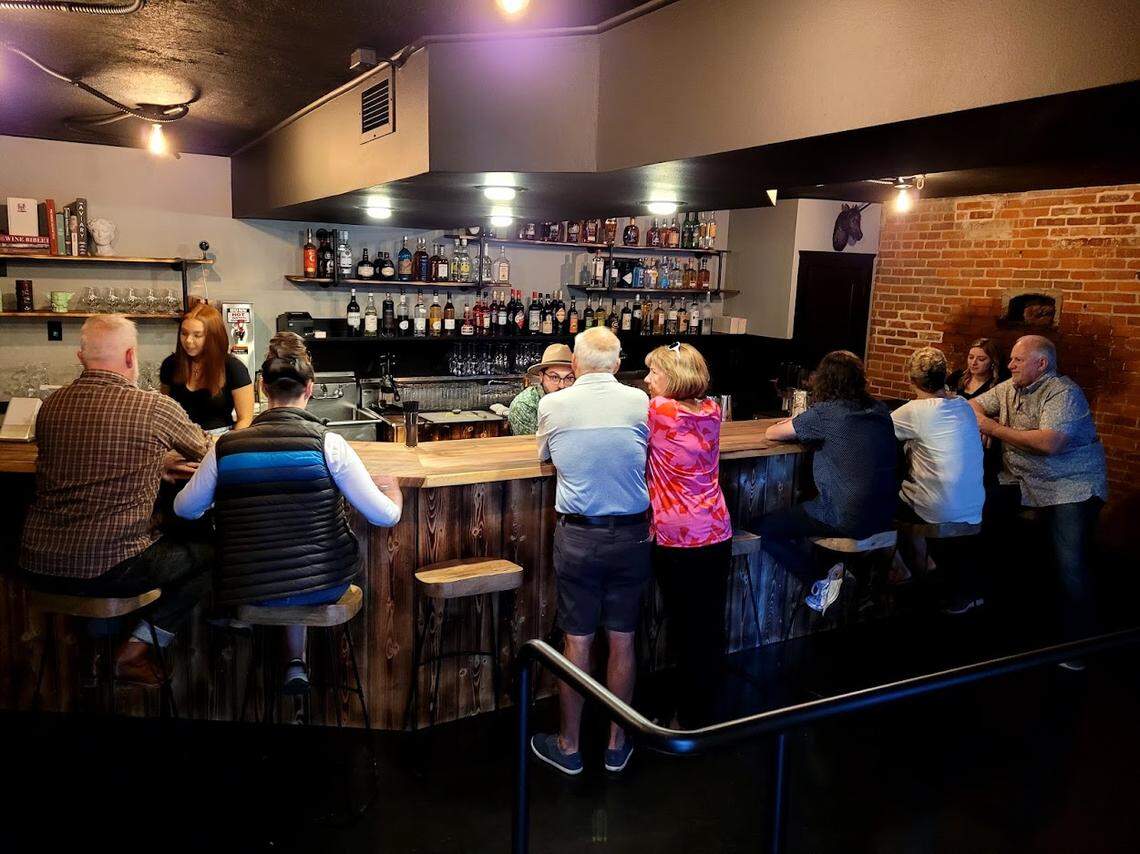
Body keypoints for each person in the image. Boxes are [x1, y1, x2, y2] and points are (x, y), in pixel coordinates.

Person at [174, 332, 403, 693]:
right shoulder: (329, 444)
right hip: (324, 585)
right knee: (301, 558)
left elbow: (185, 509)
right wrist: (393, 490)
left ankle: (295, 662)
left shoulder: (226, 447)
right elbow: (385, 516)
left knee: (281, 554)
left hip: (247, 588)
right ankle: (296, 663)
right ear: (309, 389)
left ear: (263, 388)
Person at [20, 315, 212, 684]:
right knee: (210, 554)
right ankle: (133, 651)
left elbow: (88, 461)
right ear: (130, 356)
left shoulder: (50, 407)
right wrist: (162, 459)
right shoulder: (154, 408)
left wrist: (152, 462)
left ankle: (94, 648)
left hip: (38, 564)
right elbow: (207, 452)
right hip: (112, 569)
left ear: (81, 358)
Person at [530, 327, 651, 776]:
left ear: (575, 365)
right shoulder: (642, 403)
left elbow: (547, 456)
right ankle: (617, 745)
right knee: (623, 640)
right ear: (618, 365)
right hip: (634, 535)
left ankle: (569, 746)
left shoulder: (552, 404)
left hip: (580, 537)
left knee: (577, 642)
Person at [970, 335, 1107, 667]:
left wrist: (992, 427)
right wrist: (980, 420)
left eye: (1018, 360)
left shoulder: (1063, 393)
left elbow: (1050, 442)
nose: (1011, 365)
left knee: (1070, 566)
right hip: (1023, 482)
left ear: (1041, 364)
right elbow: (971, 404)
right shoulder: (1010, 388)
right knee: (984, 527)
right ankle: (1000, 618)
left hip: (1069, 486)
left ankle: (1079, 645)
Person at [761, 351, 897, 614]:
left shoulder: (826, 413)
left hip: (844, 516)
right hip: (886, 514)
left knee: (763, 529)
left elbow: (772, 432)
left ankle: (818, 579)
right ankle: (850, 576)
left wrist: (795, 423)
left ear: (824, 380)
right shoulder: (880, 410)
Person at [644, 342, 733, 728]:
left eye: (654, 373)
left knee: (684, 627)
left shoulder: (660, 412)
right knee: (706, 623)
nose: (647, 380)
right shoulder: (713, 410)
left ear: (673, 378)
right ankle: (705, 709)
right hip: (716, 528)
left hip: (678, 534)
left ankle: (688, 719)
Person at [891, 347, 985, 613]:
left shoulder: (913, 411)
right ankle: (929, 570)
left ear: (911, 379)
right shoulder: (963, 407)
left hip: (938, 510)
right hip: (973, 507)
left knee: (880, 503)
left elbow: (871, 434)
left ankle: (910, 572)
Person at [160, 302, 254, 434]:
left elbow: (245, 419)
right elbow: (165, 412)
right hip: (180, 437)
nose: (188, 341)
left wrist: (226, 444)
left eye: (197, 335)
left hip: (219, 438)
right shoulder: (170, 365)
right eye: (184, 333)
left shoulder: (233, 367)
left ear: (213, 338)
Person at [506, 343, 574, 435]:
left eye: (569, 378)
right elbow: (533, 445)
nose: (562, 385)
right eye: (554, 377)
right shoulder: (525, 405)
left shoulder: (577, 399)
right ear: (541, 376)